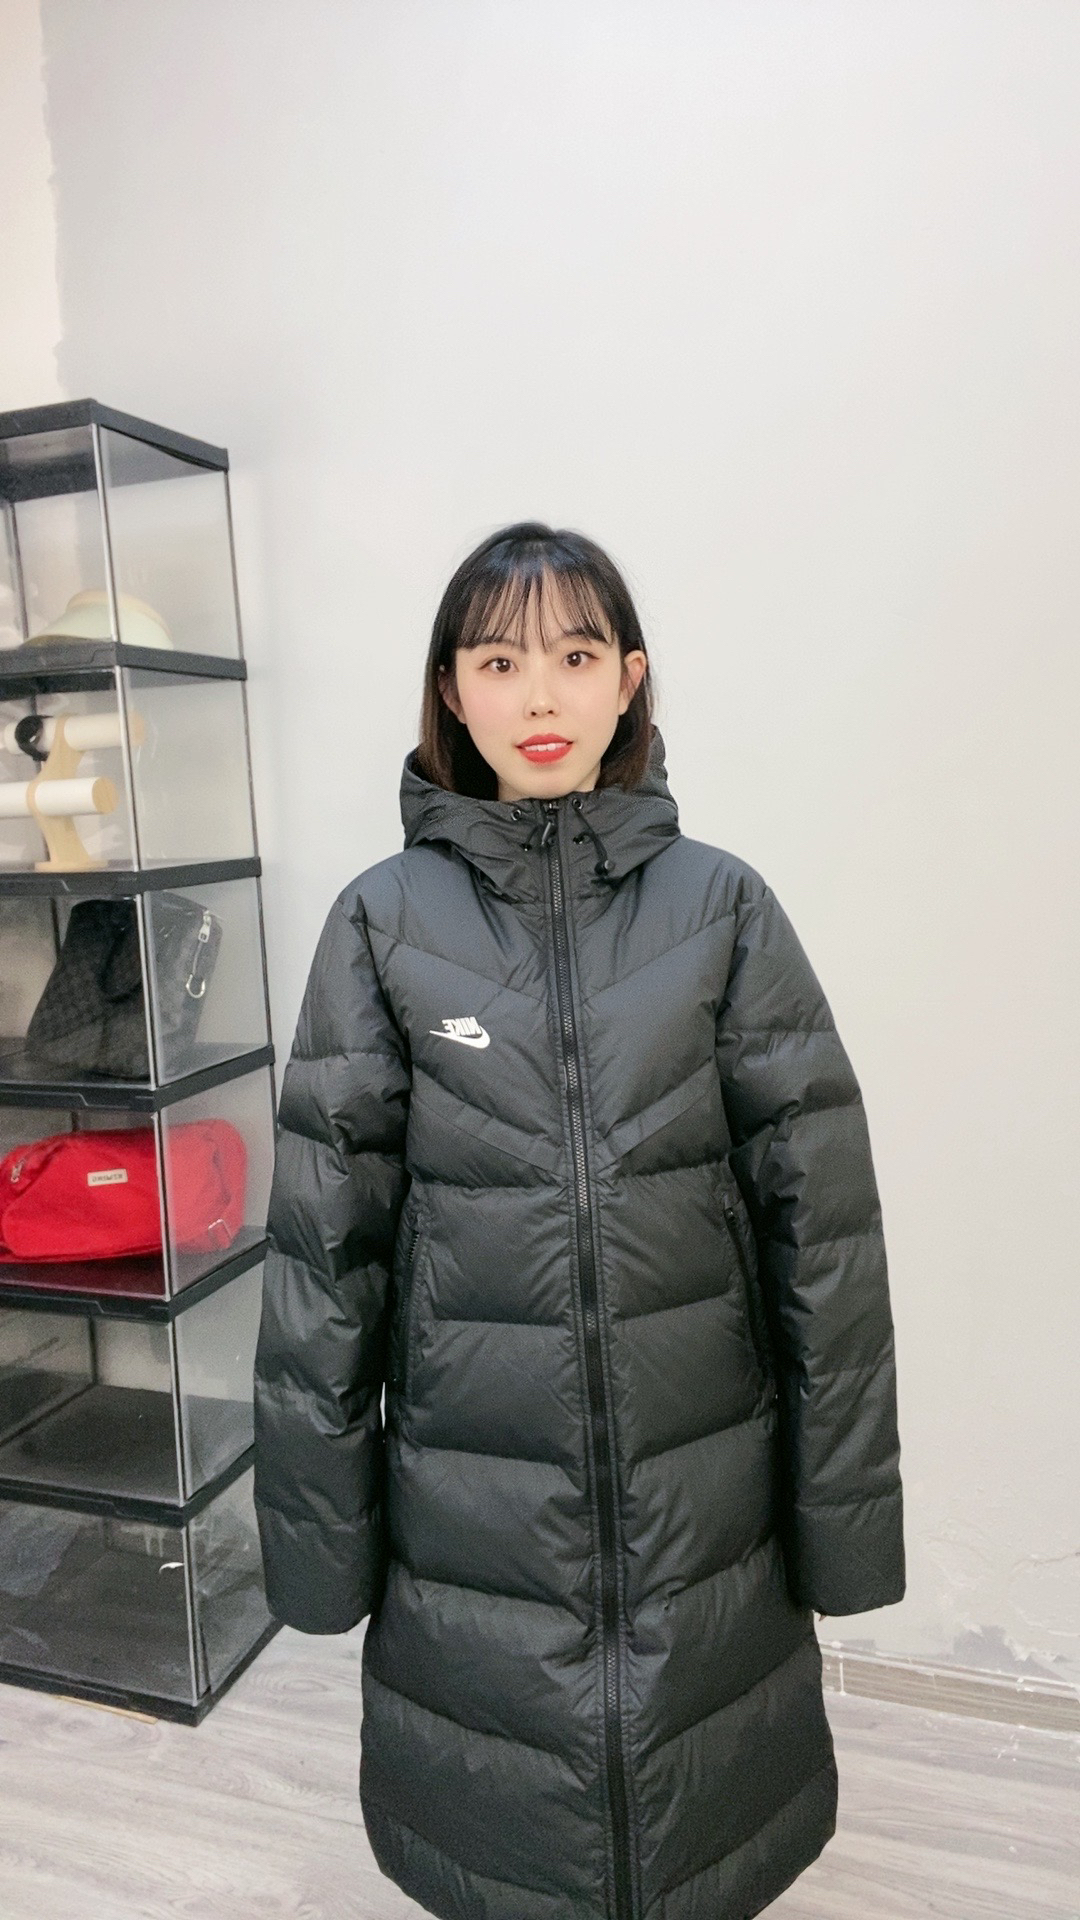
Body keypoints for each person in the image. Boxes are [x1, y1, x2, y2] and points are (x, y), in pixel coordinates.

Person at [252, 522, 904, 1920]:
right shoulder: (382, 923)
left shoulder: (723, 908)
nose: (539, 695)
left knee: (706, 1835)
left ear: (629, 681)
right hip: (473, 1505)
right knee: (504, 1854)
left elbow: (827, 1240)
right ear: (452, 691)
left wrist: (843, 1520)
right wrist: (317, 1547)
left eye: (575, 655)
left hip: (704, 1492)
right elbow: (323, 1264)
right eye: (498, 662)